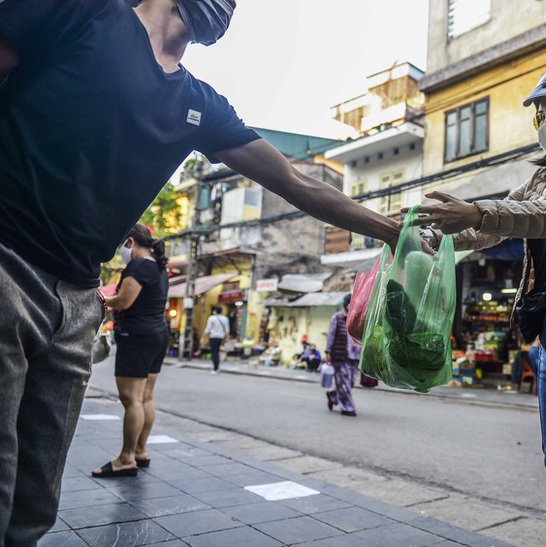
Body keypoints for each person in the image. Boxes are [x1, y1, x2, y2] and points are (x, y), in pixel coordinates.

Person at [0, 1, 401, 543]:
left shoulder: (198, 102)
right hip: (8, 264)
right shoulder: (86, 11)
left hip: (76, 302)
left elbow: (301, 186)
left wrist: (395, 231)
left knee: (34, 500)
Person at [409, 63, 546, 547]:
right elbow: (490, 227)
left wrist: (479, 210)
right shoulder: (542, 178)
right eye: (541, 116)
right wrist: (425, 235)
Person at [92, 224, 170, 478]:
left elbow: (124, 301)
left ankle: (126, 459)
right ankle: (140, 451)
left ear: (130, 242)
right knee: (145, 397)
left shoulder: (138, 266)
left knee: (131, 399)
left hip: (136, 335)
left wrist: (99, 300)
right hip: (157, 332)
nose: (120, 251)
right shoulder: (159, 268)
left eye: (120, 245)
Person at [325, 294, 361, 416]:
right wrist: (328, 351)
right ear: (346, 304)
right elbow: (331, 336)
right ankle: (348, 408)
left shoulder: (358, 318)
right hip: (340, 355)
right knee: (344, 383)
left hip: (355, 356)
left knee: (349, 383)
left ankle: (333, 395)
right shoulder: (337, 317)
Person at [201, 307, 230, 374]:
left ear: (215, 311)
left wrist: (203, 338)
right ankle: (217, 366)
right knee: (217, 351)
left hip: (213, 337)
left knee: (214, 352)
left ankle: (215, 368)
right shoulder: (225, 319)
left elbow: (207, 329)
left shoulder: (211, 318)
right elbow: (227, 330)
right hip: (220, 337)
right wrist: (227, 338)